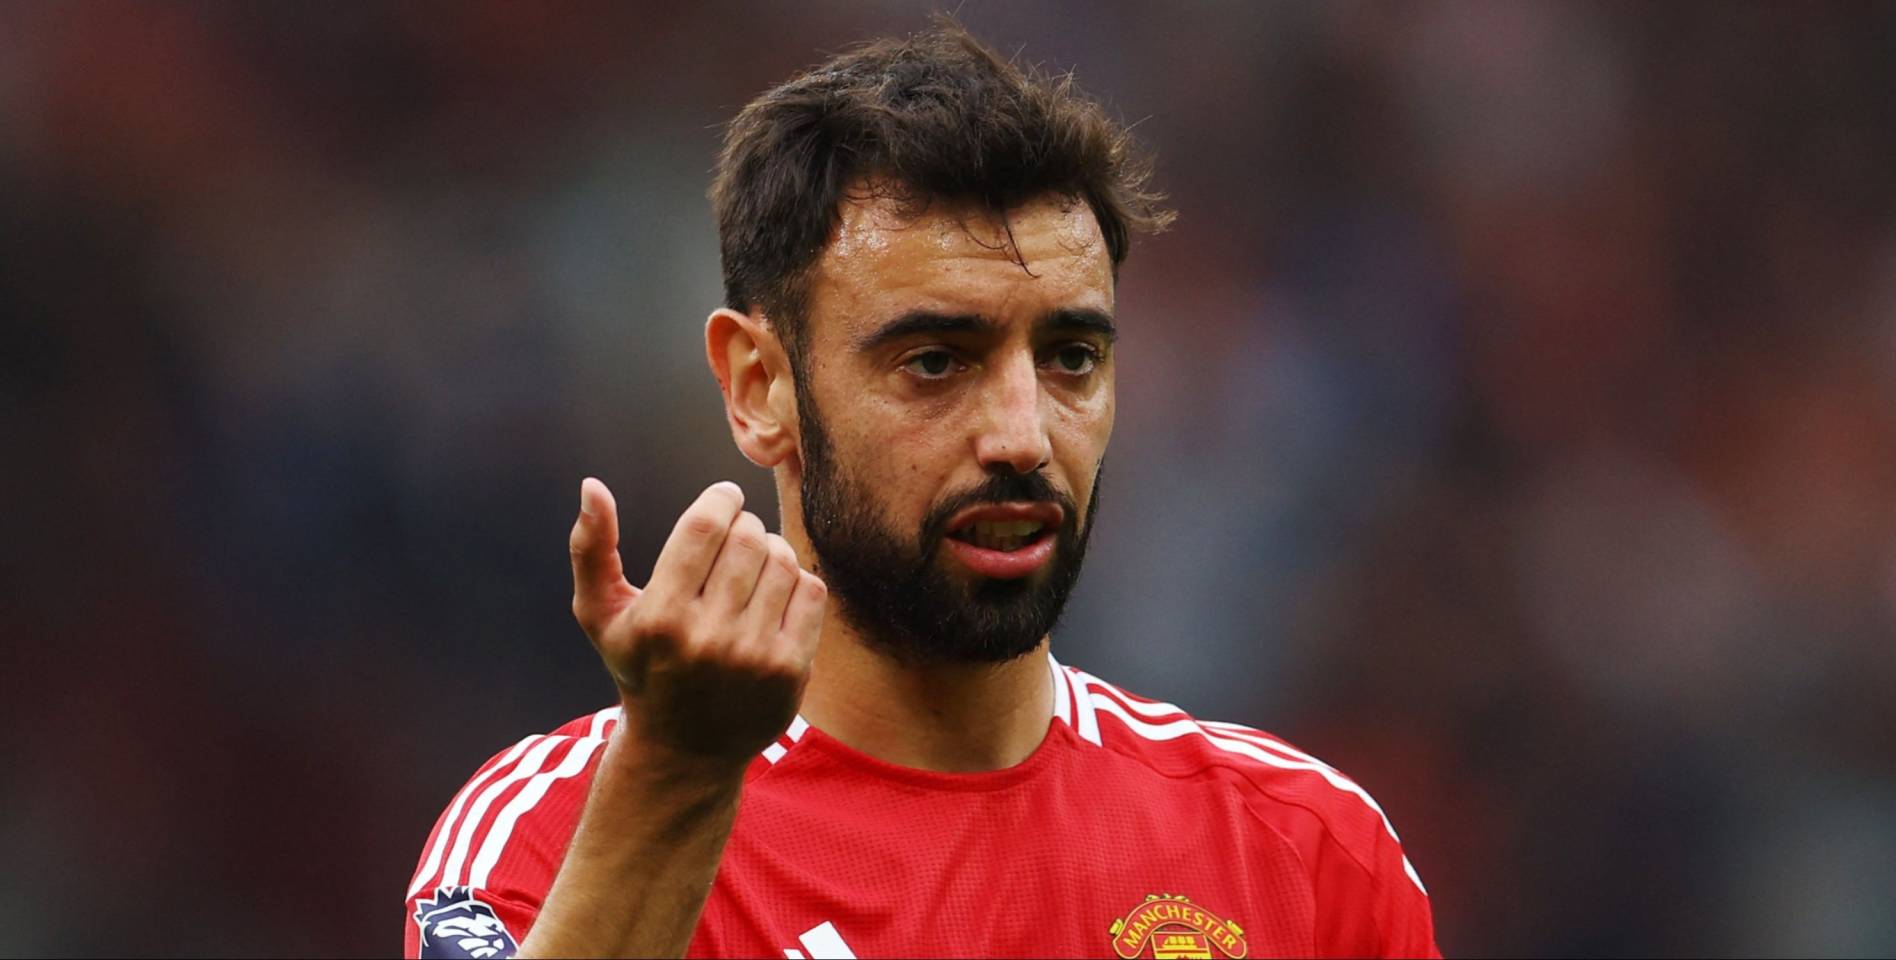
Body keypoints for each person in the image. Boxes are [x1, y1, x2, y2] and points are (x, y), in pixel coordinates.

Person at [404, 21, 1440, 960]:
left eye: (1071, 358)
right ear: (759, 387)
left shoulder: (1304, 853)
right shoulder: (549, 838)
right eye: (936, 362)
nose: (1023, 437)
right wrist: (678, 775)